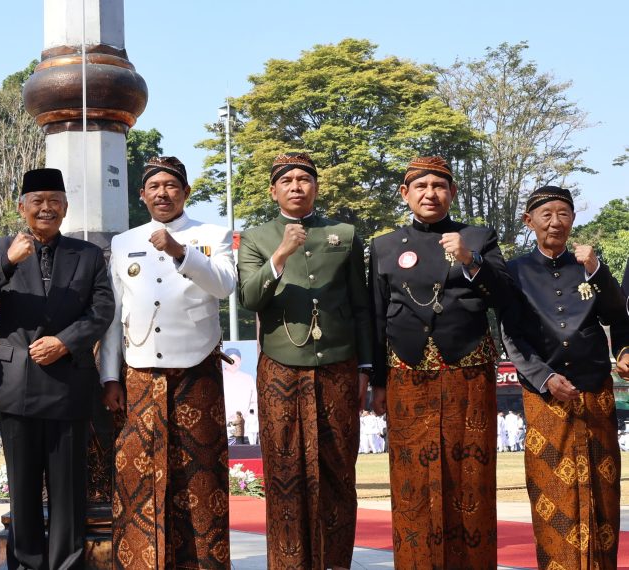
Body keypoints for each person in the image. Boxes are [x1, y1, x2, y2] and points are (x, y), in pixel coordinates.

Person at [0, 167, 114, 570]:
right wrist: (8, 263)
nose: (46, 208)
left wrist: (65, 342)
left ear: (65, 207)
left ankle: (67, 564)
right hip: (17, 385)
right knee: (23, 490)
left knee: (68, 491)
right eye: (37, 201)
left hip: (69, 383)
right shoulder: (0, 247)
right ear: (22, 207)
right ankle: (27, 564)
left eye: (54, 201)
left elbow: (103, 310)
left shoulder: (87, 254)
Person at [369, 156, 511, 568]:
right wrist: (377, 380)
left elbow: (506, 295)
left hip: (467, 369)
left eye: (439, 186)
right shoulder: (385, 246)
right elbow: (376, 315)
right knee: (412, 483)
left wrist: (471, 260)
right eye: (421, 186)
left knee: (471, 476)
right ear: (405, 193)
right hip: (406, 373)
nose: (430, 193)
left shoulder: (478, 237)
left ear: (453, 192)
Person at [99, 156, 236, 568]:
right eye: (154, 187)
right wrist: (110, 377)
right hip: (139, 373)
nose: (163, 193)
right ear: (142, 195)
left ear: (186, 192)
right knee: (137, 477)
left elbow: (224, 285)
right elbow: (113, 316)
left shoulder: (212, 234)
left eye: (171, 185)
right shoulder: (124, 242)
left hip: (197, 372)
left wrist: (181, 252)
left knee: (200, 481)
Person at [237, 152, 372, 569]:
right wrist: (280, 255)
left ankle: (336, 562)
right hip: (280, 365)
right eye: (287, 180)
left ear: (316, 186)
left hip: (338, 365)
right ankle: (288, 562)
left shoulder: (344, 234)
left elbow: (361, 306)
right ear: (273, 190)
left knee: (338, 469)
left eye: (304, 178)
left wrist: (366, 367)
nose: (296, 186)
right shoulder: (256, 238)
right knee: (284, 471)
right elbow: (249, 299)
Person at [499, 185, 629, 568]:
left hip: (595, 394)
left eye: (564, 214)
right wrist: (544, 377)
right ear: (529, 221)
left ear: (573, 219)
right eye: (547, 214)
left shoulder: (588, 266)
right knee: (552, 494)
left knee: (604, 493)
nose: (555, 222)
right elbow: (512, 335)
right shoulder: (514, 271)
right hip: (545, 398)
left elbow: (618, 316)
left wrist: (597, 271)